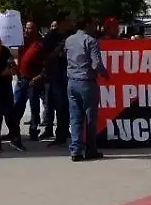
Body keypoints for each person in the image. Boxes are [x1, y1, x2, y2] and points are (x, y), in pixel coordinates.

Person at [65, 16, 109, 161]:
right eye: (94, 24)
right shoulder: (90, 41)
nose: (95, 27)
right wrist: (105, 74)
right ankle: (91, 149)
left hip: (71, 82)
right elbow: (96, 64)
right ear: (87, 24)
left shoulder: (69, 40)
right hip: (86, 82)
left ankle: (76, 150)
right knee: (90, 118)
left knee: (75, 117)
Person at [37, 16, 73, 146]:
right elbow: (46, 57)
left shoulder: (71, 34)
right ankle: (58, 134)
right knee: (57, 105)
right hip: (55, 75)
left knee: (67, 106)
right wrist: (59, 49)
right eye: (68, 21)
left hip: (69, 74)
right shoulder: (50, 37)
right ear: (61, 23)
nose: (71, 23)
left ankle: (64, 132)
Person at [13, 21, 45, 141]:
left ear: (36, 29)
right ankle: (14, 130)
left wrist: (40, 76)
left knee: (34, 106)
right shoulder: (22, 42)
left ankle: (34, 129)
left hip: (34, 80)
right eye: (26, 28)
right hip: (22, 78)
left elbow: (46, 62)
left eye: (30, 28)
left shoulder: (40, 43)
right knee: (17, 105)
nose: (27, 30)